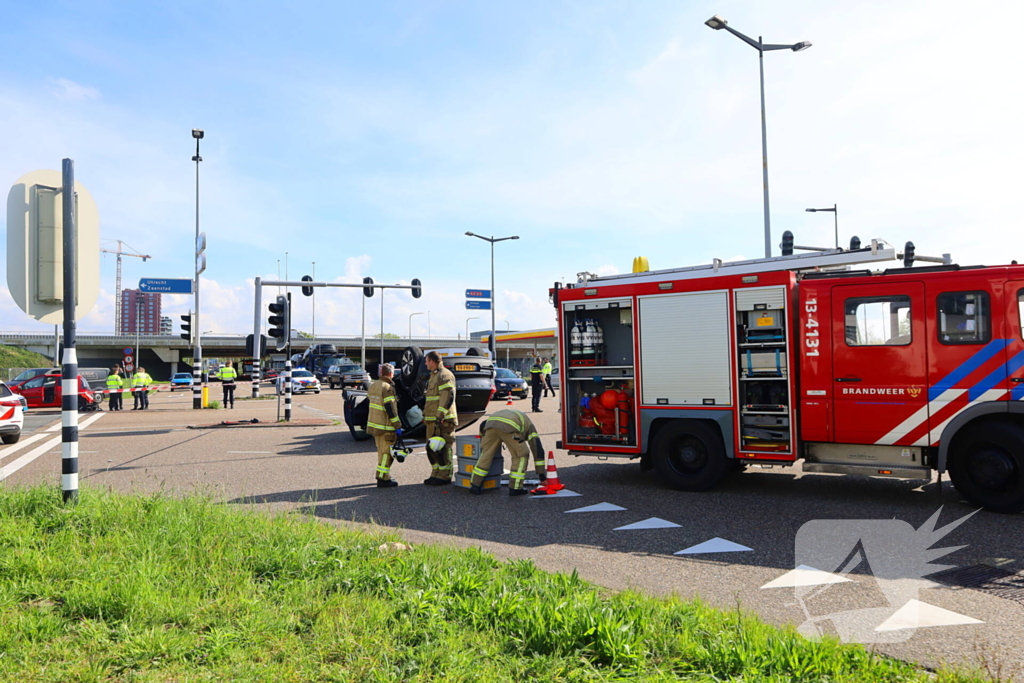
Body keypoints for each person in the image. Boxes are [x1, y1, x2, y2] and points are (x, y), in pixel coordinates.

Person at [472, 409, 547, 496]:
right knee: (521, 455)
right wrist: (542, 475)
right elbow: (537, 448)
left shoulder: (507, 415)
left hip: (491, 424)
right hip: (510, 427)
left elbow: (483, 426)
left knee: (486, 454)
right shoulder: (529, 427)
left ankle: (475, 485)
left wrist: (483, 437)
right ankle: (515, 488)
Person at [423, 351, 457, 485]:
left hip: (443, 420)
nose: (425, 363)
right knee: (432, 448)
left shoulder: (444, 375)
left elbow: (447, 397)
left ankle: (444, 476)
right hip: (432, 420)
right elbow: (431, 400)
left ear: (432, 361)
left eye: (426, 361)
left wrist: (440, 416)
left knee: (443, 448)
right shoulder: (434, 375)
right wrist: (425, 415)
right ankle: (435, 473)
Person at [366, 363, 401, 488]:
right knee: (387, 454)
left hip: (375, 425)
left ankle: (383, 475)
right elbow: (391, 408)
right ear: (390, 373)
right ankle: (383, 478)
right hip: (386, 426)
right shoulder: (387, 387)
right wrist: (397, 425)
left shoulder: (373, 385)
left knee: (381, 452)